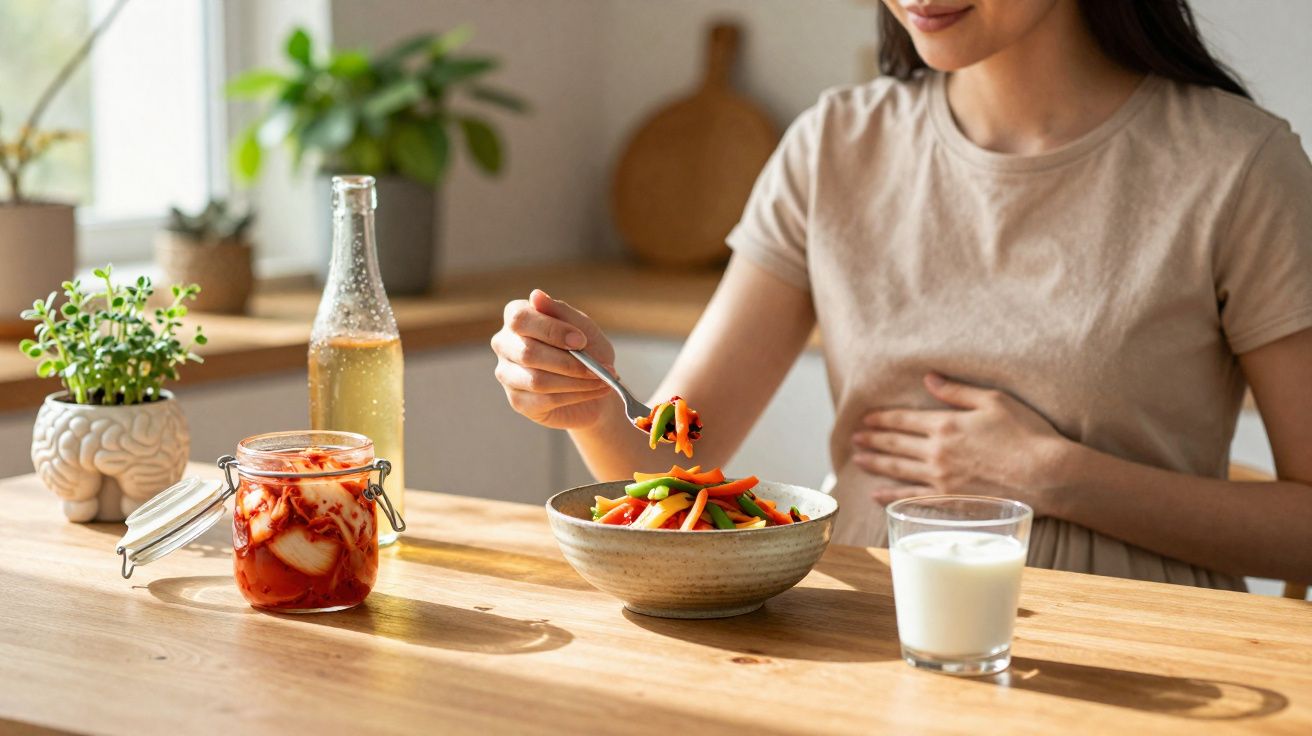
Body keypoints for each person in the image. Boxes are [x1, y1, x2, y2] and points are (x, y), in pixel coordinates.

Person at [491, 0, 1312, 590]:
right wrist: (592, 408)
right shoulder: (833, 147)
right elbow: (672, 464)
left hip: (1152, 669)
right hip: (861, 648)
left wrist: (1055, 476)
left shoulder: (1237, 167)